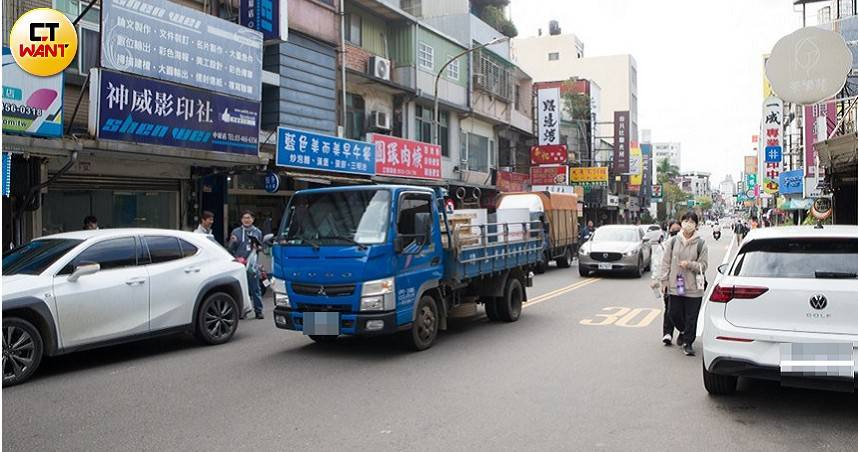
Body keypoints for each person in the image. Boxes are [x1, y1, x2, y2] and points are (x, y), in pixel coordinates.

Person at [659, 211, 708, 356]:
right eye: (686, 221)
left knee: (691, 316)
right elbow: (665, 262)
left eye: (692, 222)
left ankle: (688, 343)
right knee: (674, 313)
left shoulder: (701, 244)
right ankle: (683, 330)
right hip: (677, 283)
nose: (688, 224)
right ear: (681, 223)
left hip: (693, 286)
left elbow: (704, 265)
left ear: (696, 225)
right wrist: (664, 281)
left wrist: (690, 264)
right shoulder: (673, 241)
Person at [651, 220, 682, 346]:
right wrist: (655, 279)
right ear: (669, 231)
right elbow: (657, 264)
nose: (675, 233)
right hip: (667, 281)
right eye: (673, 231)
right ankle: (667, 333)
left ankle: (682, 331)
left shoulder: (686, 245)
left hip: (680, 280)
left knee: (680, 308)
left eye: (678, 230)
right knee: (669, 307)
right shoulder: (663, 246)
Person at [229, 211, 265, 319]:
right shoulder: (236, 231)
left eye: (249, 218)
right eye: (244, 218)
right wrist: (233, 242)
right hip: (239, 264)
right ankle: (241, 312)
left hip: (252, 264)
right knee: (240, 289)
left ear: (253, 219)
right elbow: (230, 249)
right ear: (241, 220)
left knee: (255, 288)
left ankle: (258, 311)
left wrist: (258, 248)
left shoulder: (258, 232)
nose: (246, 220)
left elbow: (261, 247)